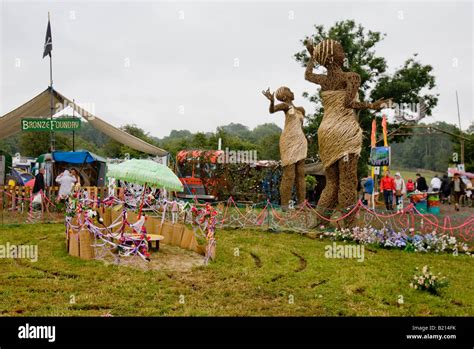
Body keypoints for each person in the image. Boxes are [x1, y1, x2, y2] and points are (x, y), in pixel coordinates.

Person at [262, 86, 307, 210]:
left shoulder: (301, 109)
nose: (292, 91)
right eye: (289, 91)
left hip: (301, 142)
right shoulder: (285, 106)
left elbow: (301, 127)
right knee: (289, 174)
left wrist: (306, 138)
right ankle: (285, 205)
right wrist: (271, 101)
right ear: (285, 96)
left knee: (301, 174)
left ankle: (301, 204)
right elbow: (272, 110)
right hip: (288, 141)